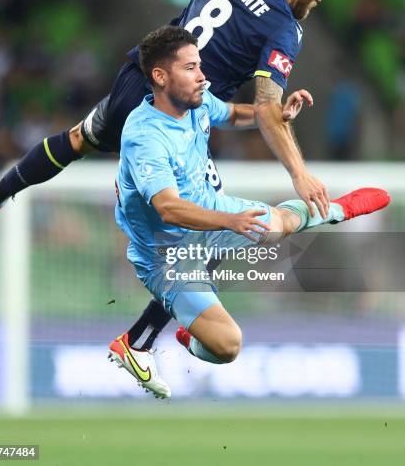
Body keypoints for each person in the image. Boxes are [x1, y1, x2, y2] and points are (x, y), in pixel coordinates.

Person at [0, 0, 335, 373]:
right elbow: (265, 106)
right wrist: (300, 175)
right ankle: (138, 339)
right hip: (175, 120)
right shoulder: (283, 28)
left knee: (78, 139)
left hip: (139, 79)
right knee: (216, 230)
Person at [108, 25, 390, 398]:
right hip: (166, 253)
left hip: (210, 210)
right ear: (160, 76)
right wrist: (231, 221)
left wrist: (275, 114)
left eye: (200, 65)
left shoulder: (196, 100)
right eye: (190, 68)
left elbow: (233, 114)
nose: (202, 75)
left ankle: (336, 210)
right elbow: (169, 208)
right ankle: (176, 335)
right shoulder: (146, 136)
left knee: (276, 226)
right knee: (227, 346)